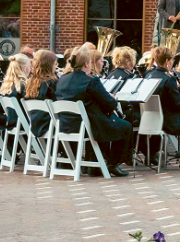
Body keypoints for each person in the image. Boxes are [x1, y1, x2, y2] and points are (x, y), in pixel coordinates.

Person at [55, 49, 132, 177]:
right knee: (125, 126)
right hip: (87, 125)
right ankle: (112, 164)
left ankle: (95, 165)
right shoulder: (91, 80)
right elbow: (109, 104)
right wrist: (111, 97)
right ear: (86, 64)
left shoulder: (62, 79)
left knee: (107, 121)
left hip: (65, 124)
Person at [23, 50, 58, 139]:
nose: (56, 66)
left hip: (35, 124)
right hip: (50, 125)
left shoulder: (30, 82)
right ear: (49, 65)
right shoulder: (51, 83)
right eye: (55, 64)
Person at [0, 52, 33, 130]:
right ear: (24, 68)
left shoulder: (7, 85)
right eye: (29, 66)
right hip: (24, 125)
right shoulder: (23, 85)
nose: (30, 69)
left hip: (12, 124)